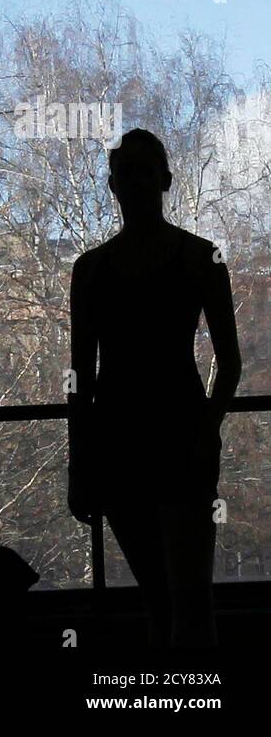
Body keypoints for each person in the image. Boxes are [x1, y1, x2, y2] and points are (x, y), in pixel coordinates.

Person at [67, 127, 241, 647]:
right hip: (163, 438)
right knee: (179, 598)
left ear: (163, 180)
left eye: (145, 171)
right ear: (116, 185)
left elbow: (83, 378)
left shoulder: (94, 270)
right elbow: (227, 363)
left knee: (173, 600)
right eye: (130, 172)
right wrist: (206, 426)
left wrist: (82, 466)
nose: (138, 182)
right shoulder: (197, 258)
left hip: (136, 440)